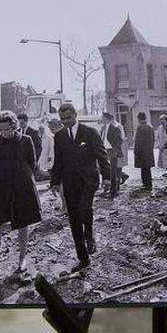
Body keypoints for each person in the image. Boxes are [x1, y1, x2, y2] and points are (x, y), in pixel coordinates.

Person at [50, 103, 108, 272]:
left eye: (68, 118)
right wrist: (55, 182)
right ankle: (83, 258)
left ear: (75, 115)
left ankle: (89, 235)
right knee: (74, 219)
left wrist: (107, 178)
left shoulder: (89, 132)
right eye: (62, 119)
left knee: (85, 208)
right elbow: (58, 161)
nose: (66, 121)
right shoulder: (59, 136)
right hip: (69, 183)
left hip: (88, 181)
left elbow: (102, 155)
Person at [0, 111, 41, 281]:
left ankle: (22, 259)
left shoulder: (26, 140)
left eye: (7, 129)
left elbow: (32, 164)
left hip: (22, 187)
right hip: (0, 188)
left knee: (22, 224)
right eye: (0, 130)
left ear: (14, 126)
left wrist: (24, 179)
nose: (4, 133)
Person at [98, 112, 125, 197]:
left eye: (102, 118)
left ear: (106, 118)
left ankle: (113, 192)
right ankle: (108, 189)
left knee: (112, 172)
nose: (101, 119)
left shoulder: (115, 128)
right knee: (105, 170)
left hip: (111, 151)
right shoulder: (103, 128)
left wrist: (115, 150)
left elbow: (119, 140)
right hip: (104, 151)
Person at [134, 112, 155, 191]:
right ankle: (148, 184)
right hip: (148, 151)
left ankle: (146, 184)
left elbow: (138, 141)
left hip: (141, 152)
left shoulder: (140, 127)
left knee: (143, 169)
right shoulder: (150, 127)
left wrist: (136, 151)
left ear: (139, 119)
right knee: (147, 169)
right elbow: (153, 139)